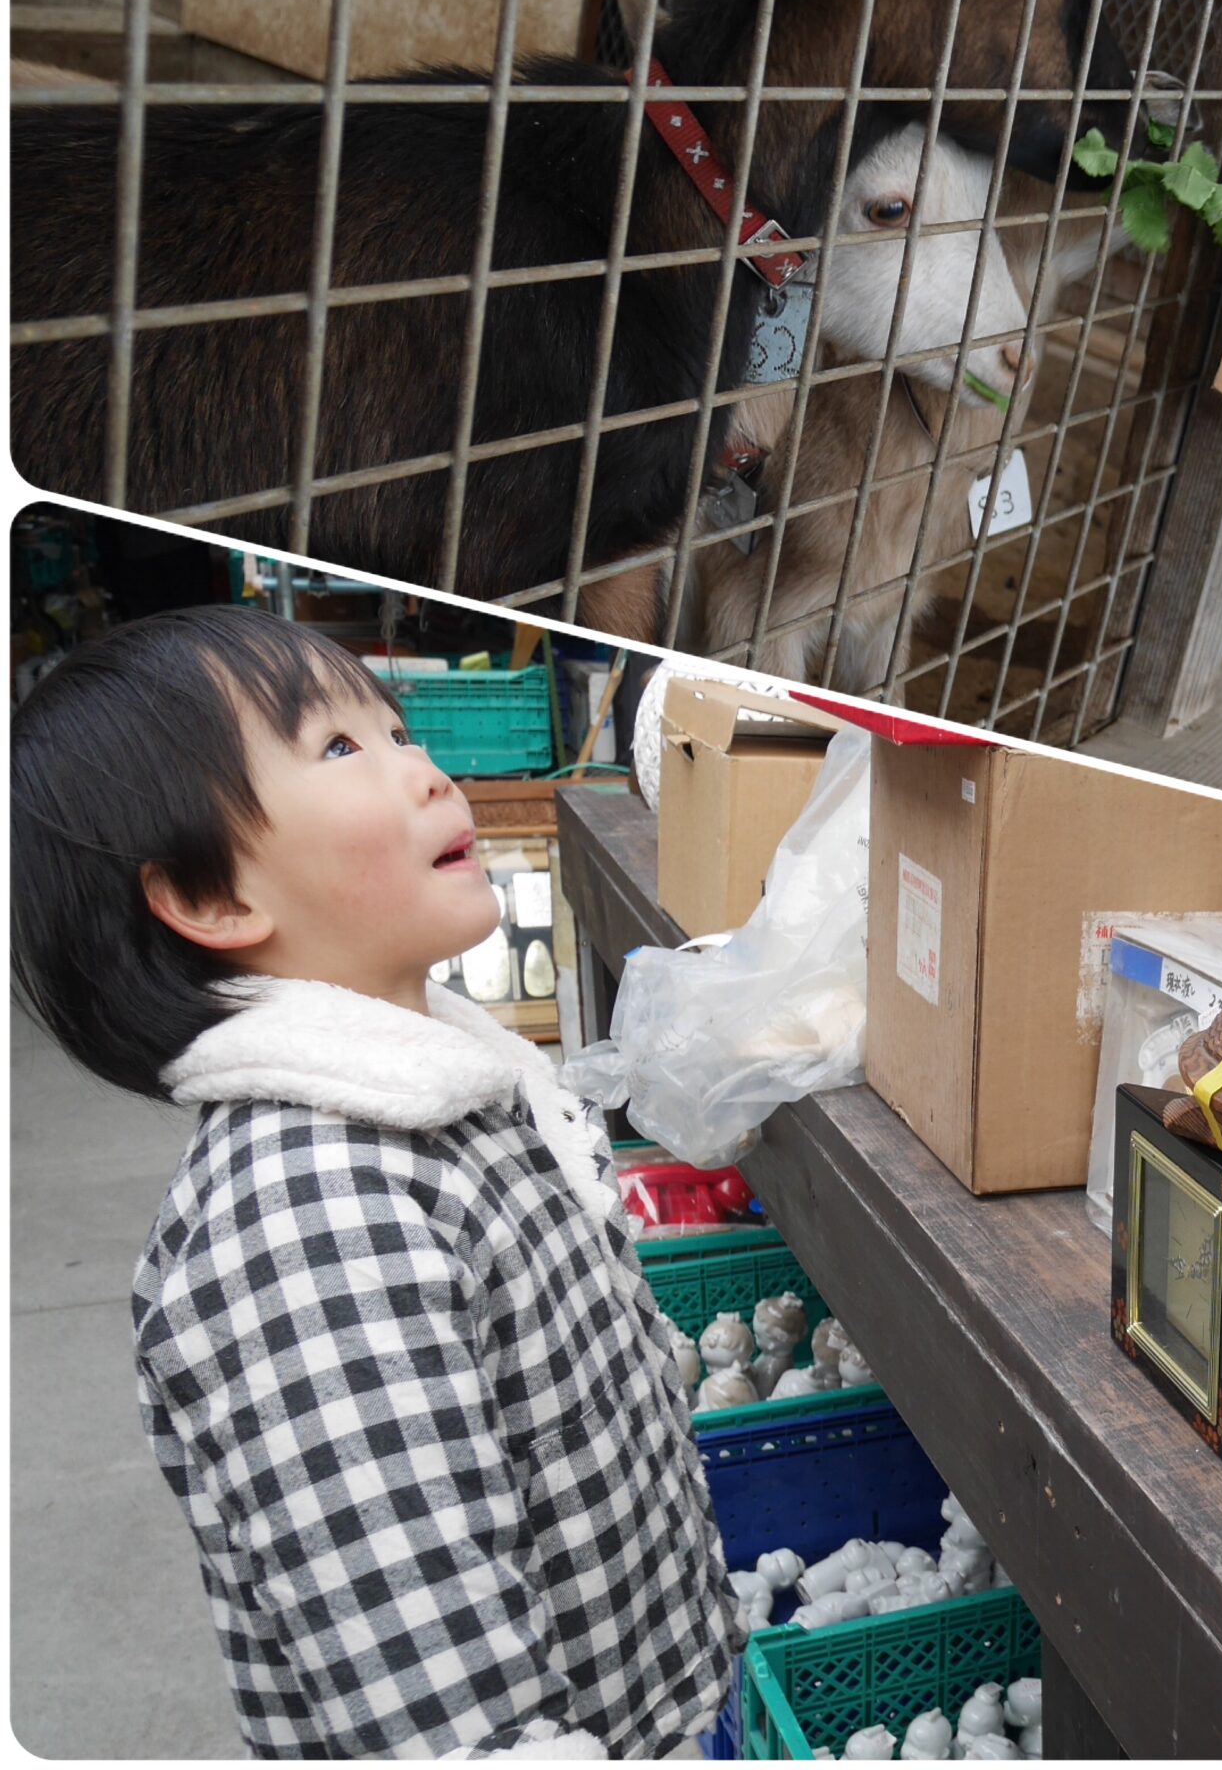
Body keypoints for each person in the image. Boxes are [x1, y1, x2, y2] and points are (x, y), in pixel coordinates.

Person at [9, 605, 743, 1757]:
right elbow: (447, 1718)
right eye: (340, 747)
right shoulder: (307, 1228)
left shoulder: (445, 1090)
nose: (425, 770)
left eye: (397, 730)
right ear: (211, 899)